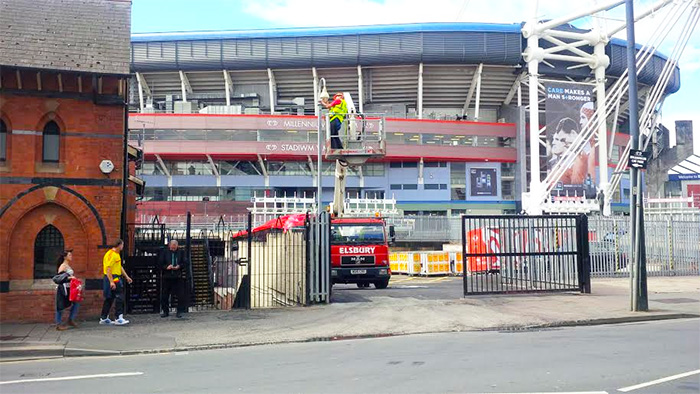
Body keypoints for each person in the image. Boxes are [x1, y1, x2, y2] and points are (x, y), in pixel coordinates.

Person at [100, 239, 133, 325]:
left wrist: (126, 277)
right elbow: (108, 268)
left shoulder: (116, 254)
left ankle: (104, 317)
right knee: (119, 296)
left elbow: (119, 267)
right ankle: (118, 317)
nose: (123, 247)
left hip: (114, 277)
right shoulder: (111, 254)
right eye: (122, 245)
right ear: (119, 245)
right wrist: (111, 281)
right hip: (113, 277)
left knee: (110, 298)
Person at [159, 240, 188, 318]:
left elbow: (185, 262)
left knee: (180, 295)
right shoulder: (165, 252)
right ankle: (165, 311)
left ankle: (179, 311)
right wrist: (166, 267)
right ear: (169, 245)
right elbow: (160, 263)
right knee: (165, 295)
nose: (173, 246)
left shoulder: (181, 252)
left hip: (177, 276)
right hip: (167, 276)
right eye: (172, 245)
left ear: (177, 245)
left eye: (175, 245)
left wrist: (179, 266)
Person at [54, 250, 79, 331]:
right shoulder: (63, 266)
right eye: (69, 255)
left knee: (76, 302)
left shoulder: (68, 266)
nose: (71, 256)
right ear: (65, 257)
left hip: (70, 288)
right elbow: (59, 277)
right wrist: (70, 278)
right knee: (60, 306)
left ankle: (71, 319)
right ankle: (58, 324)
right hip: (63, 288)